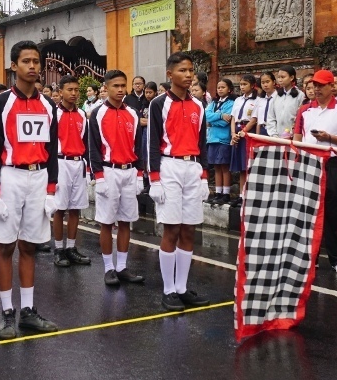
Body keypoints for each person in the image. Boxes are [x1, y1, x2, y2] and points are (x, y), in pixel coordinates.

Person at [0, 40, 59, 339]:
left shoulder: (49, 105)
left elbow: (52, 151)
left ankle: (28, 311)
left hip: (38, 177)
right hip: (10, 177)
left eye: (36, 61)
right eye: (26, 61)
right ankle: (7, 313)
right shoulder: (2, 103)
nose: (32, 66)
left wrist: (52, 189)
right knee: (7, 246)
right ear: (14, 66)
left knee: (30, 245)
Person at [148, 52, 211, 311]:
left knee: (189, 230)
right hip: (169, 166)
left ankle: (182, 288)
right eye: (182, 70)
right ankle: (168, 290)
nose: (188, 75)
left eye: (190, 70)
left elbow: (203, 143)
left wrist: (205, 175)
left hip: (192, 167)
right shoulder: (158, 104)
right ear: (169, 74)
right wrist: (154, 179)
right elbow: (152, 143)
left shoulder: (199, 105)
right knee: (172, 229)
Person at [293, 70, 337, 276]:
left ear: (332, 86)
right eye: (315, 85)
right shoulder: (304, 110)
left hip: (331, 163)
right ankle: (310, 257)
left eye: (321, 85)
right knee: (306, 212)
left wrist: (329, 138)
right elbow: (297, 139)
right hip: (308, 163)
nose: (317, 89)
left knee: (333, 212)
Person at [89, 69, 145, 286]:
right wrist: (99, 177)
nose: (120, 90)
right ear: (106, 87)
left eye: (123, 86)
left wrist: (139, 174)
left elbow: (138, 146)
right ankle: (108, 268)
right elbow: (93, 147)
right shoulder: (98, 113)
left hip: (129, 171)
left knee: (125, 221)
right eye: (116, 86)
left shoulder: (133, 113)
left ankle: (122, 267)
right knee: (106, 222)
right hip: (109, 171)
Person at [52, 75, 91, 268]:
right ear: (60, 92)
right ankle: (59, 249)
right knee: (60, 208)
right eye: (70, 90)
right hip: (61, 162)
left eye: (76, 90)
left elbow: (86, 141)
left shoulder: (82, 114)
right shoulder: (53, 113)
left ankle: (71, 247)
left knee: (76, 208)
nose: (74, 93)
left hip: (78, 163)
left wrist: (88, 168)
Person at [230, 75, 258, 207]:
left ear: (252, 85)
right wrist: (233, 134)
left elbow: (254, 119)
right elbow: (233, 118)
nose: (242, 87)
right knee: (241, 167)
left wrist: (244, 131)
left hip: (248, 131)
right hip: (237, 131)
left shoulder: (257, 100)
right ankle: (241, 195)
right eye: (241, 84)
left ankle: (249, 195)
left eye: (245, 84)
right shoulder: (238, 100)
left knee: (248, 165)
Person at [206, 78, 236, 204]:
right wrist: (219, 115)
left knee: (224, 167)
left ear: (229, 89)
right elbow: (206, 116)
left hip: (224, 139)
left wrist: (213, 121)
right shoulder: (213, 103)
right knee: (216, 167)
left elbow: (226, 122)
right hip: (212, 139)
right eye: (218, 87)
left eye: (223, 87)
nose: (220, 89)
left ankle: (226, 193)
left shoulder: (232, 103)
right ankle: (218, 193)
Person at [267, 65, 304, 139]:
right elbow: (271, 117)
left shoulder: (300, 95)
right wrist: (273, 134)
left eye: (283, 77)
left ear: (291, 77)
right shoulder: (276, 95)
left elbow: (300, 119)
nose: (280, 80)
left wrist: (292, 134)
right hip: (277, 137)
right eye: (278, 77)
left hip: (293, 137)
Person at [252, 72, 277, 136]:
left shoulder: (279, 98)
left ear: (274, 82)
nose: (265, 85)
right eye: (263, 83)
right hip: (262, 130)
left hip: (275, 130)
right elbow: (259, 120)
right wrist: (257, 135)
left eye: (267, 82)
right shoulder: (260, 100)